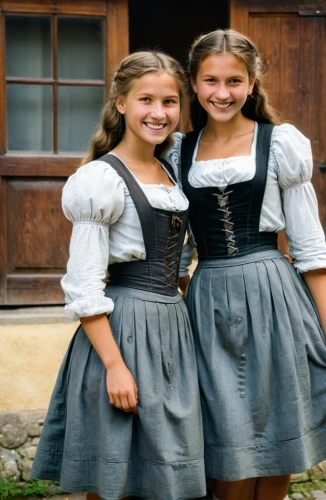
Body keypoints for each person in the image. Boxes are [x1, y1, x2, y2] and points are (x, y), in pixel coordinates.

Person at [164, 29, 326, 500]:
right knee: (228, 445)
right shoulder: (178, 153)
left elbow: (309, 247)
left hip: (275, 295)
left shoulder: (280, 144)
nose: (222, 93)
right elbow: (176, 251)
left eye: (234, 80)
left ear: (252, 83)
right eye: (210, 81)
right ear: (193, 84)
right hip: (209, 300)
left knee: (279, 439)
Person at [30, 51, 206, 500]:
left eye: (169, 102)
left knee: (164, 474)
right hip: (122, 334)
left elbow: (178, 264)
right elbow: (84, 286)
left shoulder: (169, 173)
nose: (159, 112)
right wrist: (114, 366)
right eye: (146, 99)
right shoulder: (100, 180)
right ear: (121, 102)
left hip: (172, 331)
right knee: (116, 478)